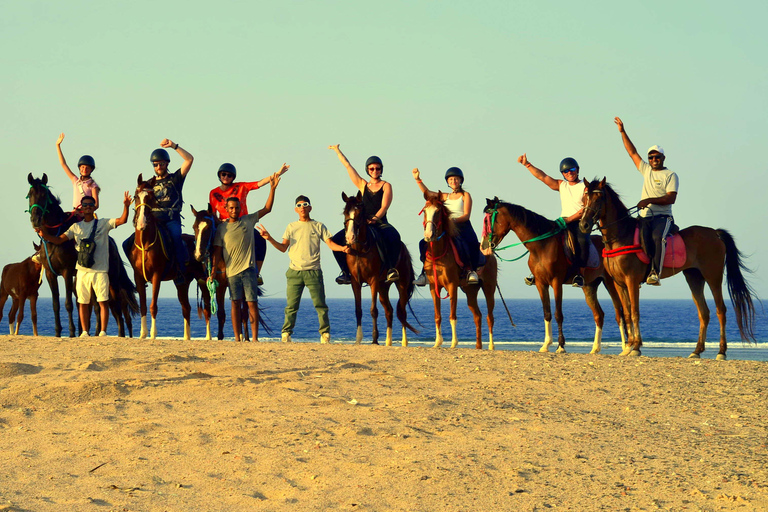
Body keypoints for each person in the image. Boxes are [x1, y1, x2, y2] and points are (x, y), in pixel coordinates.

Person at [36, 192, 132, 337]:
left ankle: (103, 332)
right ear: (81, 209)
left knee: (102, 301)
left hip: (100, 270)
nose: (87, 207)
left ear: (94, 208)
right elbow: (59, 240)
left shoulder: (103, 223)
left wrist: (126, 206)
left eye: (90, 205)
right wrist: (46, 236)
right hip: (82, 271)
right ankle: (85, 332)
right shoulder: (76, 227)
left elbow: (122, 220)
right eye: (85, 205)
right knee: (83, 302)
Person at [258, 195, 350, 344]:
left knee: (320, 305)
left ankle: (325, 334)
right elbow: (283, 248)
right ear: (296, 209)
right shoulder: (291, 227)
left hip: (313, 271)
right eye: (299, 205)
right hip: (294, 272)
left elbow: (330, 244)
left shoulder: (318, 225)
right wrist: (268, 238)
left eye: (305, 204)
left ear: (310, 208)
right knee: (291, 306)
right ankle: (286, 334)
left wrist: (342, 248)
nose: (302, 207)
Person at [211, 174, 281, 342]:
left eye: (237, 208)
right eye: (231, 208)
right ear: (226, 209)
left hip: (249, 271)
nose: (234, 210)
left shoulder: (248, 220)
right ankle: (237, 338)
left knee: (252, 303)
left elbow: (267, 208)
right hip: (232, 273)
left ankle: (255, 339)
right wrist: (213, 271)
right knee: (234, 303)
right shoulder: (221, 229)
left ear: (240, 208)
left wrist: (272, 188)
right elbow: (217, 252)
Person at [614, 117, 679, 286]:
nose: (653, 160)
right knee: (636, 238)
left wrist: (648, 200)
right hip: (645, 217)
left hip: (662, 217)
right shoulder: (646, 169)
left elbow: (671, 198)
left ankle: (655, 272)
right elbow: (632, 152)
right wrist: (622, 131)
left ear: (663, 158)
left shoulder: (670, 175)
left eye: (657, 157)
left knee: (658, 237)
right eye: (651, 157)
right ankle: (637, 272)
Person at [328, 144, 402, 284]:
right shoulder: (363, 185)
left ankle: (391, 269)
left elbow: (385, 206)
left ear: (381, 170)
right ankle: (345, 272)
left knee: (394, 236)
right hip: (361, 222)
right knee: (336, 240)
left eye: (377, 168)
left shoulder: (386, 185)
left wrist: (375, 219)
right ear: (367, 170)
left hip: (380, 221)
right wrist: (338, 151)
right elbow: (348, 166)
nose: (374, 171)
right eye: (371, 168)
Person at [209, 162, 289, 285]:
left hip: (244, 225)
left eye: (229, 175)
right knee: (206, 241)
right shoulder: (213, 193)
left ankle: (256, 273)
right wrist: (221, 222)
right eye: (223, 174)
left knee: (261, 241)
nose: (226, 177)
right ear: (219, 175)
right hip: (225, 226)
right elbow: (213, 214)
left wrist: (276, 174)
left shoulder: (241, 187)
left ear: (233, 177)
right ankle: (206, 272)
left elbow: (259, 183)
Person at [518, 154, 589, 288]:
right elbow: (542, 177)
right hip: (562, 221)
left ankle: (580, 274)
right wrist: (527, 165)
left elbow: (586, 209)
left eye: (572, 169)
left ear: (577, 170)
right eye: (565, 171)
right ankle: (537, 271)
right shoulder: (561, 185)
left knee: (582, 241)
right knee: (542, 238)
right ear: (562, 174)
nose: (569, 173)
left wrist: (569, 219)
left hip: (578, 222)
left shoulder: (585, 187)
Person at [412, 166, 485, 285]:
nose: (453, 182)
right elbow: (428, 193)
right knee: (424, 243)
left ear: (461, 180)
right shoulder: (445, 196)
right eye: (450, 180)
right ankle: (424, 273)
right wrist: (418, 179)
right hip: (447, 227)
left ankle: (471, 271)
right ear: (447, 182)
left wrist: (453, 220)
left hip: (462, 225)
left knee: (470, 243)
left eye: (456, 179)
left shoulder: (465, 195)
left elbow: (466, 215)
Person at [148, 139, 194, 278]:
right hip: (154, 220)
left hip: (171, 219)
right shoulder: (149, 183)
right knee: (129, 243)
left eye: (161, 164)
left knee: (176, 239)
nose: (159, 167)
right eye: (156, 164)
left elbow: (190, 159)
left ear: (167, 164)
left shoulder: (175, 178)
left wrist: (174, 146)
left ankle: (180, 271)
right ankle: (141, 272)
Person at [56, 133, 100, 212]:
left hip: (85, 214)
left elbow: (96, 205)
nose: (84, 169)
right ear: (79, 168)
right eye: (82, 167)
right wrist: (58, 146)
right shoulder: (75, 180)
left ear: (91, 170)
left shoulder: (93, 185)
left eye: (87, 168)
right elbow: (63, 164)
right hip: (74, 213)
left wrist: (83, 212)